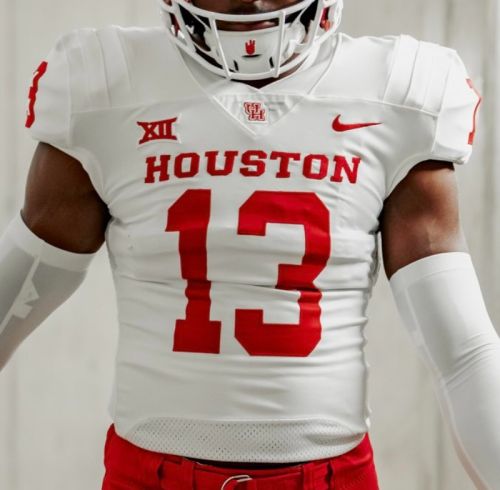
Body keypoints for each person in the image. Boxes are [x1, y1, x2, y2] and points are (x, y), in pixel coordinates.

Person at [1, 0, 499, 488]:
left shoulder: (397, 94)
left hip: (328, 476)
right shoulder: (105, 86)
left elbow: (463, 352)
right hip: (150, 473)